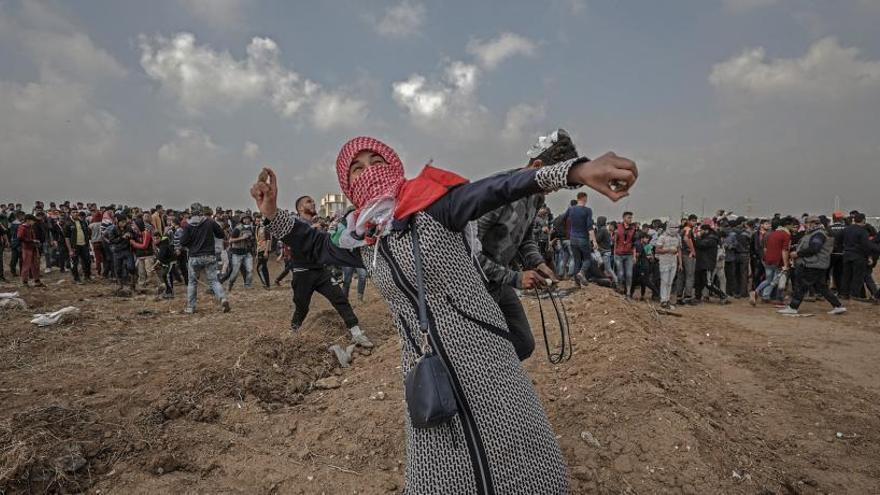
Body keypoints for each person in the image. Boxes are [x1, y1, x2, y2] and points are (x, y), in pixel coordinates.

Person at [253, 135, 637, 495]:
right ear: (347, 183)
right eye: (357, 168)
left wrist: (574, 171)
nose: (369, 170)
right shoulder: (363, 238)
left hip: (486, 363)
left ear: (396, 166)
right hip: (425, 371)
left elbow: (498, 187)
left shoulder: (433, 205)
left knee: (523, 464)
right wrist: (273, 214)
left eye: (377, 160)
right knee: (442, 475)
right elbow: (315, 244)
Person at [476, 129, 577, 360]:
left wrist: (537, 262)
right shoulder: (496, 194)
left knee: (522, 343)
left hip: (499, 284)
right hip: (474, 287)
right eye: (554, 180)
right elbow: (467, 253)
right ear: (537, 166)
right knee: (479, 350)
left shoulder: (536, 195)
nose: (555, 189)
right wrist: (516, 278)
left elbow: (526, 238)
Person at [286, 195, 372, 347]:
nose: (313, 203)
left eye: (313, 200)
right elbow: (291, 240)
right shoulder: (295, 225)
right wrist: (310, 232)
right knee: (301, 306)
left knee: (340, 299)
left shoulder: (319, 224)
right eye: (308, 202)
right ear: (300, 208)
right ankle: (292, 332)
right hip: (302, 273)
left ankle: (356, 332)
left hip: (320, 271)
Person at [778, 217, 847, 315]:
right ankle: (838, 306)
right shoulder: (813, 233)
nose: (805, 225)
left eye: (807, 223)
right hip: (817, 264)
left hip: (813, 264)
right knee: (822, 287)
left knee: (802, 286)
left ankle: (793, 307)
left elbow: (814, 248)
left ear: (813, 223)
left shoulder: (818, 234)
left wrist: (798, 254)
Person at [179, 203, 230, 314]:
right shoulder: (209, 221)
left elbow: (182, 242)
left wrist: (191, 244)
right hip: (209, 256)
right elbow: (221, 234)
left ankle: (191, 307)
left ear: (191, 212)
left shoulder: (187, 225)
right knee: (214, 281)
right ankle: (223, 299)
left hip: (194, 257)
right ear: (201, 210)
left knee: (192, 282)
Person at [751, 216, 794, 305]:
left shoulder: (770, 234)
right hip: (778, 261)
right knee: (775, 281)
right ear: (787, 225)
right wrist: (786, 264)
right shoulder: (786, 235)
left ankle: (760, 294)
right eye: (792, 225)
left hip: (768, 260)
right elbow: (784, 250)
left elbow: (765, 248)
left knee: (768, 280)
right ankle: (776, 297)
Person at [561, 191, 598, 287]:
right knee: (587, 259)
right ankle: (582, 273)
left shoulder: (571, 209)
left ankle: (577, 284)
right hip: (583, 238)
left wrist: (566, 231)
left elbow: (563, 219)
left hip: (572, 238)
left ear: (577, 198)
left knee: (577, 260)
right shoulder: (587, 210)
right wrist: (594, 241)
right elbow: (589, 226)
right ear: (584, 198)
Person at [839, 213, 880, 300]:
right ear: (863, 220)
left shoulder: (846, 229)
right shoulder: (863, 231)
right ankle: (854, 295)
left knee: (846, 276)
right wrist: (869, 256)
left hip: (847, 255)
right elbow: (866, 245)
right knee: (857, 277)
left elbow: (838, 240)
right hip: (859, 256)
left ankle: (844, 294)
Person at [693, 223, 729, 304]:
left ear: (706, 230)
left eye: (701, 230)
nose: (700, 232)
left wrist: (697, 237)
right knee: (698, 282)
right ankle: (697, 297)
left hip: (707, 264)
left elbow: (701, 244)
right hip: (701, 262)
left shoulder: (712, 239)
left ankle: (722, 295)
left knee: (708, 283)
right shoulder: (707, 237)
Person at [103, 213, 138, 295]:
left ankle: (132, 285)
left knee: (131, 267)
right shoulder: (113, 229)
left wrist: (131, 235)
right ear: (117, 222)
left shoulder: (128, 228)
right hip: (117, 251)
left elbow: (135, 236)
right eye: (122, 222)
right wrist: (122, 237)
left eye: (124, 222)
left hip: (127, 250)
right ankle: (120, 285)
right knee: (118, 269)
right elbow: (111, 240)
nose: (123, 224)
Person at [653, 223, 682, 309]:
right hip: (664, 261)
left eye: (677, 227)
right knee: (664, 281)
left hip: (673, 261)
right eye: (673, 227)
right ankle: (663, 300)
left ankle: (667, 299)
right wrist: (668, 250)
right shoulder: (662, 237)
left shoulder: (678, 237)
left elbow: (679, 250)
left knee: (670, 282)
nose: (675, 229)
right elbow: (657, 250)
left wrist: (680, 263)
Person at [226, 214, 255, 291]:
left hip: (247, 252)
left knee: (250, 270)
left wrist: (250, 239)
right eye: (245, 219)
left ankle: (247, 285)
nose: (247, 220)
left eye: (248, 218)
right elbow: (230, 240)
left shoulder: (251, 228)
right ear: (242, 220)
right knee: (235, 272)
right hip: (237, 253)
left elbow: (252, 240)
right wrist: (242, 238)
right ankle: (230, 283)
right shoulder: (237, 229)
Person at [64, 210, 92, 284]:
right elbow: (67, 238)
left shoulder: (83, 222)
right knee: (74, 263)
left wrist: (88, 245)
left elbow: (86, 234)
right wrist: (70, 250)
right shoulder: (68, 224)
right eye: (73, 212)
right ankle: (76, 279)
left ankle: (87, 276)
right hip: (74, 247)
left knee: (87, 261)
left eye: (76, 212)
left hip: (84, 245)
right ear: (70, 214)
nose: (75, 213)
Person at [614, 211, 638, 296]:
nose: (630, 219)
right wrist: (614, 235)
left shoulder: (634, 229)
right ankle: (619, 288)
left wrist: (634, 256)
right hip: (618, 254)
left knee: (629, 274)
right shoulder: (617, 227)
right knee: (620, 274)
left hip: (629, 255)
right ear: (624, 218)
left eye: (631, 218)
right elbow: (613, 241)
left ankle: (628, 292)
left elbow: (634, 243)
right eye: (629, 217)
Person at [17, 214, 44, 287]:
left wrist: (34, 242)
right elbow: (20, 238)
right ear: (28, 220)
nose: (34, 222)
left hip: (33, 247)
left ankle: (37, 281)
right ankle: (24, 282)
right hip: (27, 248)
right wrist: (32, 241)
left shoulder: (30, 227)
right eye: (33, 221)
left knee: (35, 265)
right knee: (26, 265)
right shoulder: (22, 227)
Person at [255, 217, 272, 289]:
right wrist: (256, 253)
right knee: (261, 267)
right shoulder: (256, 228)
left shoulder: (265, 228)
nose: (258, 222)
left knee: (261, 267)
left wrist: (266, 251)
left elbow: (268, 240)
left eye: (259, 220)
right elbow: (257, 241)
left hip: (264, 249)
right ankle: (266, 284)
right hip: (259, 249)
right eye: (257, 221)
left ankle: (266, 284)